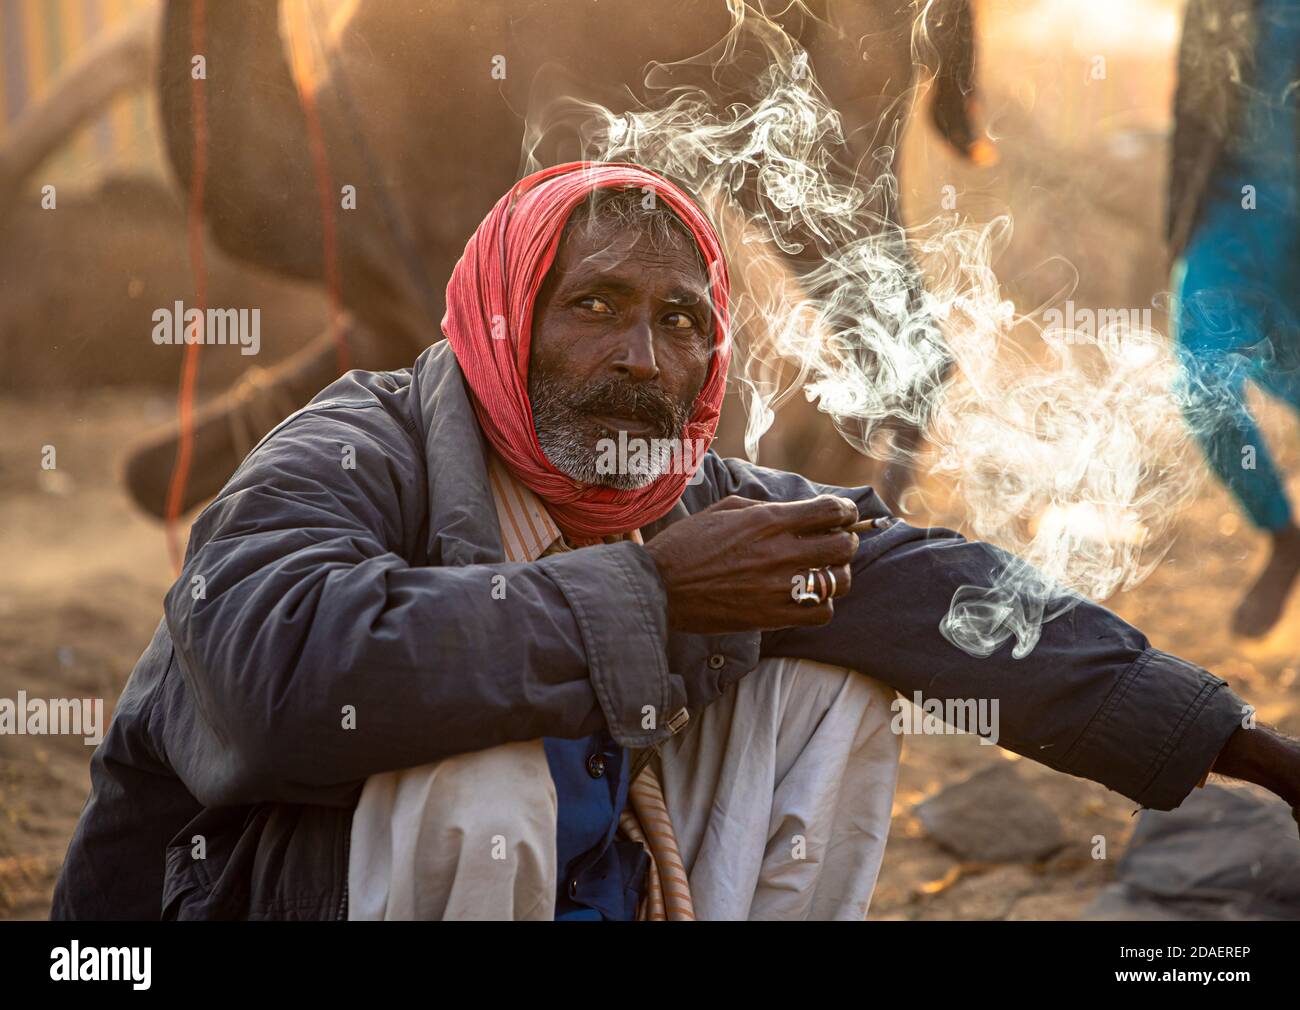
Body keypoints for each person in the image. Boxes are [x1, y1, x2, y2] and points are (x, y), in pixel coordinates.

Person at [54, 162, 1300, 921]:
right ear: (503, 315)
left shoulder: (685, 488)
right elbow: (279, 686)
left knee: (830, 683)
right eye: (590, 306)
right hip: (250, 896)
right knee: (476, 765)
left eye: (677, 321)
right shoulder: (346, 448)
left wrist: (1242, 746)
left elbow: (935, 589)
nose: (638, 357)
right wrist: (648, 593)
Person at [1169, 0, 1300, 637]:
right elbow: (1191, 101)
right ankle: (1282, 534)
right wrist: (1177, 227)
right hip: (1231, 211)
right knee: (1202, 383)